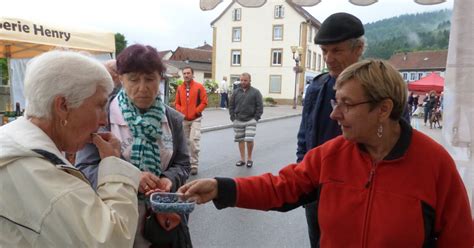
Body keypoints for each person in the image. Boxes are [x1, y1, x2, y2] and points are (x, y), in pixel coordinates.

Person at [178, 59, 473, 247]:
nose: (334, 115)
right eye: (335, 102)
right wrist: (221, 187)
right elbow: (281, 187)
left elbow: (459, 239)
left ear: (383, 109)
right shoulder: (331, 155)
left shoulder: (434, 164)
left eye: (347, 104)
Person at [0, 50, 141, 247]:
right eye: (100, 106)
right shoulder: (44, 177)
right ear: (63, 106)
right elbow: (113, 240)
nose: (103, 120)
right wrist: (114, 165)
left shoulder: (9, 139)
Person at [296, 12, 412, 247]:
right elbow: (304, 139)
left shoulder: (382, 89)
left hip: (364, 195)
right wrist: (304, 179)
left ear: (358, 48)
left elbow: (400, 143)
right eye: (324, 51)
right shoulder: (317, 87)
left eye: (336, 50)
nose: (328, 58)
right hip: (318, 192)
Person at [75, 44, 192, 247]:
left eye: (149, 79)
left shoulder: (171, 119)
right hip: (115, 222)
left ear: (160, 79)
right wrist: (130, 178)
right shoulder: (102, 117)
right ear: (121, 79)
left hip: (163, 222)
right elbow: (85, 168)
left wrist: (168, 180)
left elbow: (182, 163)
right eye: (134, 79)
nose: (142, 88)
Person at [175, 66, 208, 175]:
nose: (186, 75)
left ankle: (194, 165)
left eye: (188, 73)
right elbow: (176, 103)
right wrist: (181, 112)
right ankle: (186, 164)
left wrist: (196, 111)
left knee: (194, 141)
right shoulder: (180, 88)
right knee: (184, 143)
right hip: (184, 119)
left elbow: (204, 102)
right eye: (184, 73)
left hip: (196, 119)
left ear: (192, 74)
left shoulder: (199, 87)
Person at [228, 72, 263, 168]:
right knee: (240, 139)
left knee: (249, 139)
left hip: (250, 120)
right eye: (241, 80)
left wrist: (256, 118)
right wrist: (232, 117)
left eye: (245, 80)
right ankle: (242, 159)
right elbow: (231, 105)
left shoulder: (255, 92)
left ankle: (250, 158)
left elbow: (260, 106)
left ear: (249, 80)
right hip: (238, 119)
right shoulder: (236, 92)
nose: (243, 82)